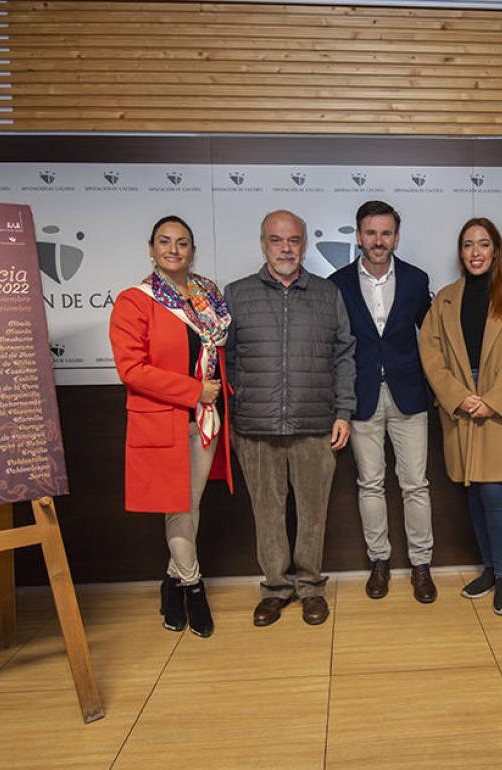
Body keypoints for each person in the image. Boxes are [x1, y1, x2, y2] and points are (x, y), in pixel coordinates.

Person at [225, 209, 356, 627]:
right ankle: (276, 588)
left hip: (315, 424)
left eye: (294, 240)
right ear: (263, 244)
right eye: (277, 240)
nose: (286, 249)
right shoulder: (237, 294)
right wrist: (237, 409)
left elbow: (344, 354)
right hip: (255, 427)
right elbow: (226, 361)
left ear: (303, 244)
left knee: (313, 512)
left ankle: (311, 587)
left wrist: (343, 411)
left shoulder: (326, 293)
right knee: (267, 513)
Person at [109, 215, 232, 638]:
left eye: (182, 243)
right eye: (165, 241)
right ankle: (192, 588)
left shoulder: (208, 295)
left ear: (192, 250)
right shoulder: (135, 300)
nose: (174, 249)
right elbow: (131, 369)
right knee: (179, 506)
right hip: (166, 418)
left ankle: (170, 582)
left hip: (208, 420)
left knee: (191, 502)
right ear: (151, 248)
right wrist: (193, 391)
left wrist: (206, 399)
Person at [419, 217, 502, 616]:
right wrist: (459, 396)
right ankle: (488, 568)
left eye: (483, 244)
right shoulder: (446, 298)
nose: (475, 252)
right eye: (468, 245)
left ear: (496, 250)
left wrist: (491, 399)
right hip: (461, 402)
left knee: (494, 491)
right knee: (472, 488)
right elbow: (431, 355)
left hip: (500, 404)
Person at [329, 201, 437, 603]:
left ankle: (421, 565)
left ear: (396, 236)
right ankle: (380, 561)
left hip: (409, 395)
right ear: (358, 236)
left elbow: (432, 338)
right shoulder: (336, 283)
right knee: (370, 485)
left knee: (415, 485)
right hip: (361, 398)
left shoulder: (415, 279)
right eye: (371, 233)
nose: (378, 241)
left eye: (386, 233)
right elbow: (335, 346)